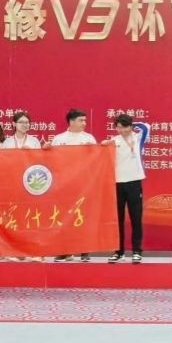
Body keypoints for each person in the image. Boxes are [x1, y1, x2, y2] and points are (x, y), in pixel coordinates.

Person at [48, 109, 97, 262]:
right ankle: (64, 250)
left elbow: (97, 160)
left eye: (85, 120)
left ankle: (84, 250)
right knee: (64, 217)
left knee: (83, 217)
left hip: (84, 185)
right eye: (81, 120)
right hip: (64, 185)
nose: (84, 123)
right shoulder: (58, 139)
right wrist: (47, 150)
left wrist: (93, 151)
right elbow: (51, 161)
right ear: (71, 121)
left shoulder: (89, 139)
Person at [102, 114, 150, 264]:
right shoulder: (114, 141)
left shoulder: (139, 138)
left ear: (130, 126)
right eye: (118, 127)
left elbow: (146, 127)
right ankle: (118, 251)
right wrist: (105, 144)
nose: (121, 130)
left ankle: (136, 251)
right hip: (117, 183)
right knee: (118, 220)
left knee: (136, 218)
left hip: (134, 182)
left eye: (124, 127)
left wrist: (132, 126)